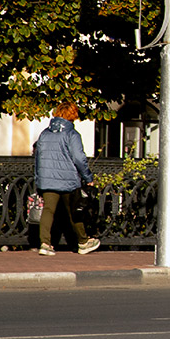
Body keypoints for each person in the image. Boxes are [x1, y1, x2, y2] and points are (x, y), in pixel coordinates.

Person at [33, 102, 100, 255]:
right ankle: (83, 242)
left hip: (47, 179)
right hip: (68, 179)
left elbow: (38, 157)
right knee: (74, 210)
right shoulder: (72, 134)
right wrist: (87, 177)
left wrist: (39, 179)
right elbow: (79, 158)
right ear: (73, 115)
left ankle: (45, 244)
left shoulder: (45, 133)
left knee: (48, 210)